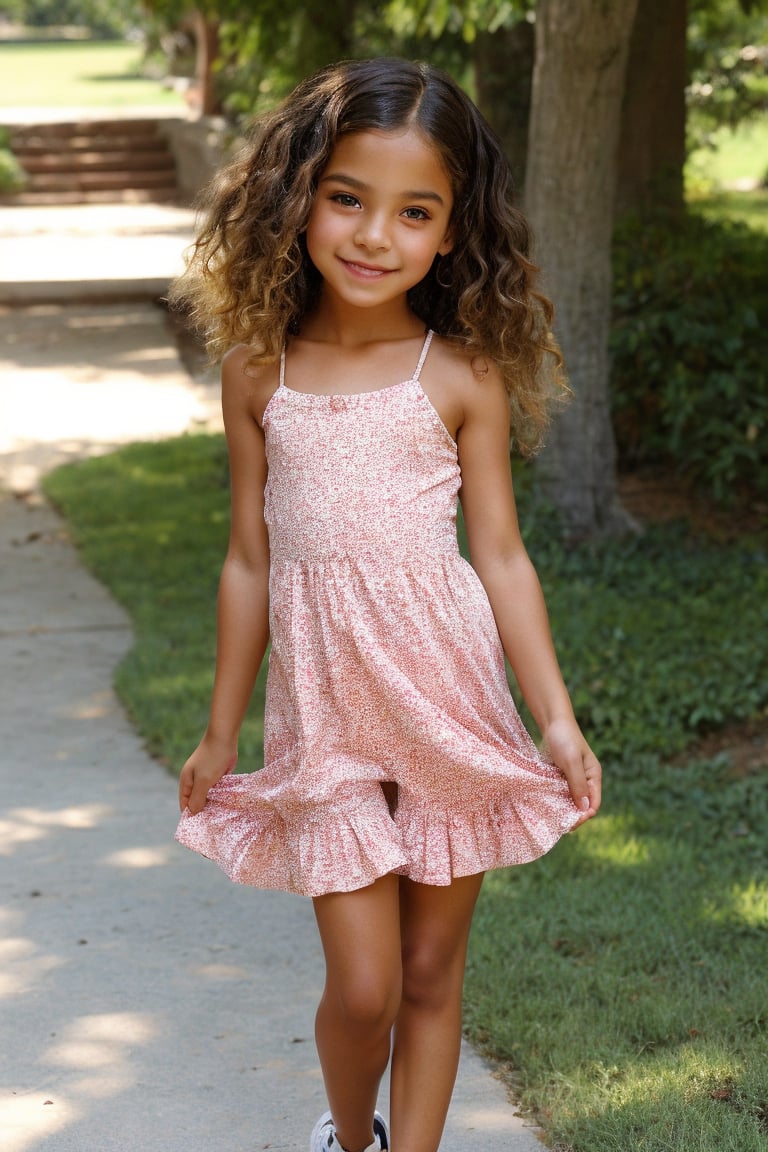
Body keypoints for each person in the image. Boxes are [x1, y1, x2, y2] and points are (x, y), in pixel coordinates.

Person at [172, 57, 601, 1152]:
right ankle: (350, 1136)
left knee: (425, 972)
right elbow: (248, 561)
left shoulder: (460, 373)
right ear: (301, 193)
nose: (374, 235)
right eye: (348, 198)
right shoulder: (258, 372)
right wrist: (222, 727)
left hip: (445, 697)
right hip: (323, 709)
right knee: (362, 991)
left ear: (452, 234)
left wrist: (553, 715)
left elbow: (500, 555)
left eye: (415, 213)